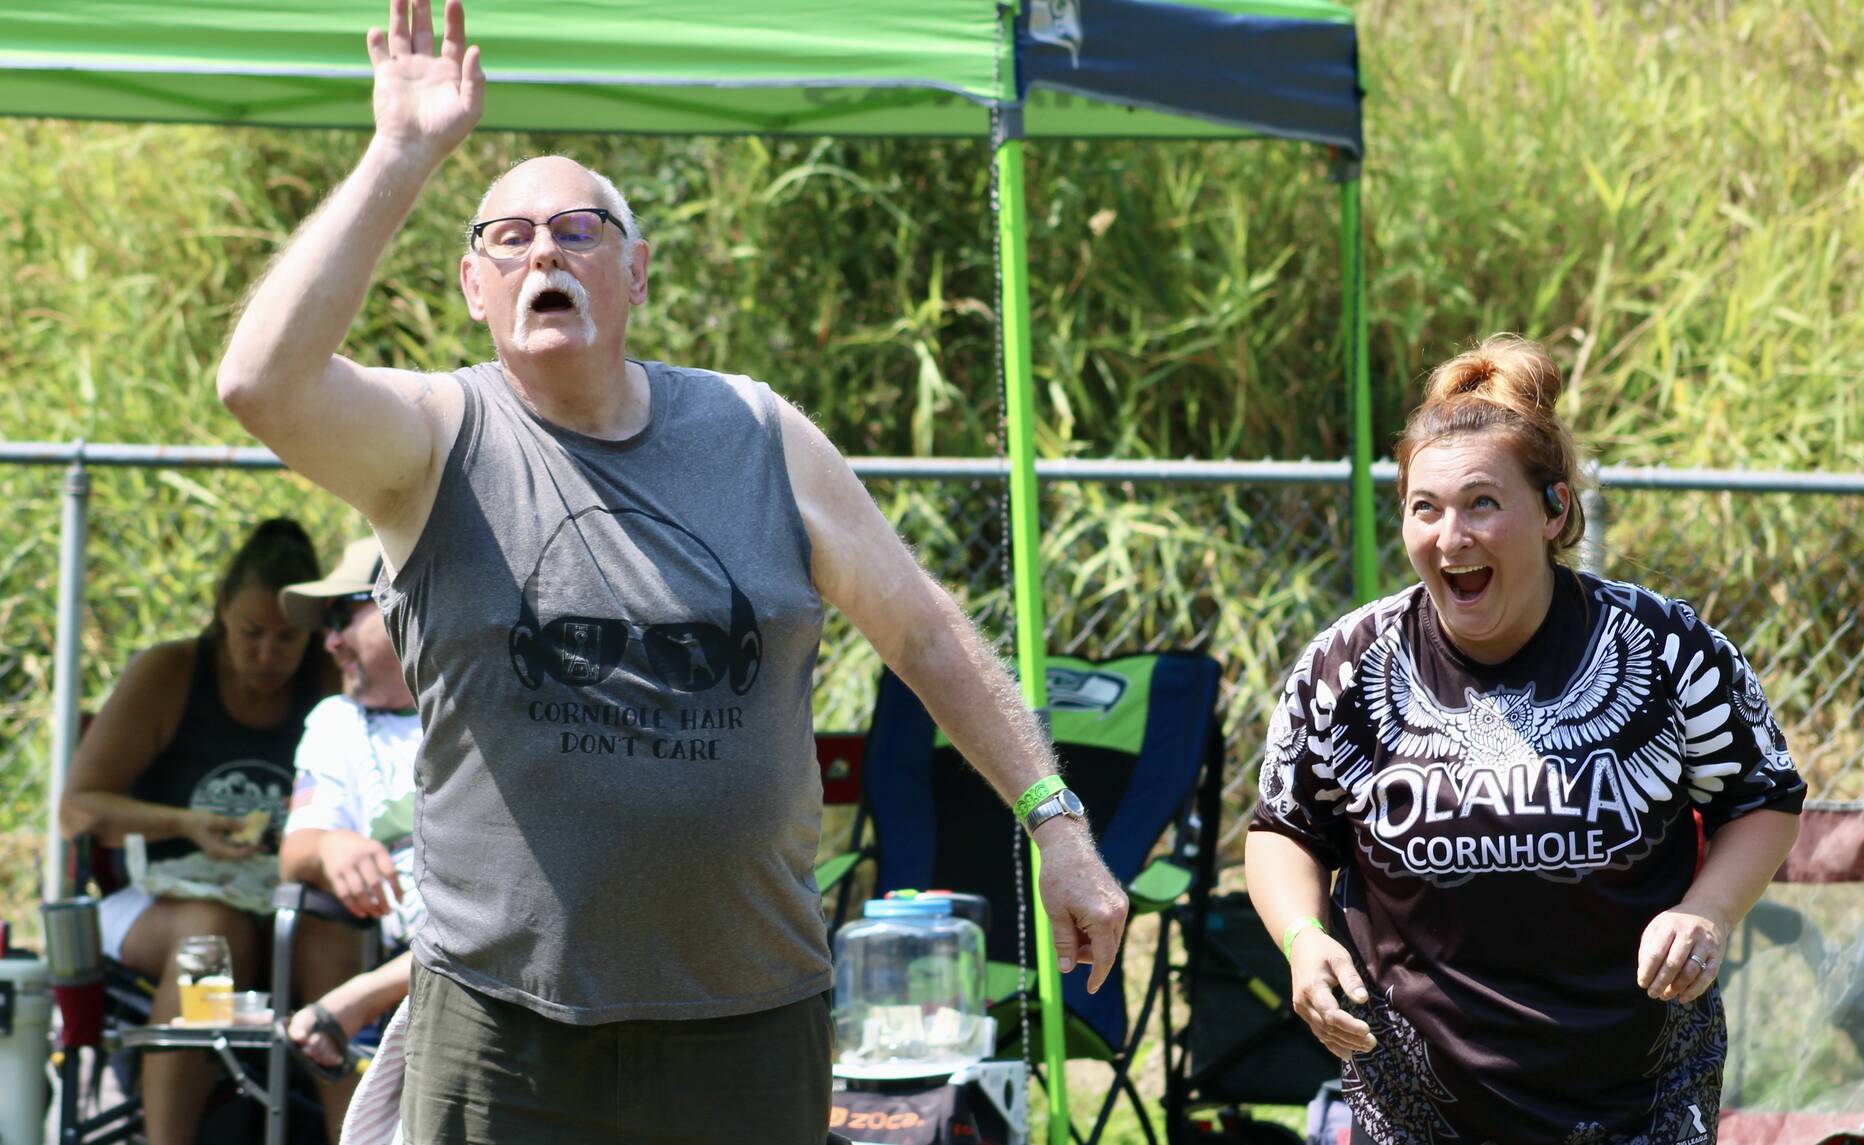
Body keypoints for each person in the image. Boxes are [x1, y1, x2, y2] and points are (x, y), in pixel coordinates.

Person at [213, 2, 1128, 1139]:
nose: (544, 248)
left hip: (745, 1025)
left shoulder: (758, 434)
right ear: (471, 286)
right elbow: (261, 382)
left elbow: (925, 632)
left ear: (636, 272)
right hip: (505, 1028)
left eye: (580, 229)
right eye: (510, 236)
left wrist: (1055, 820)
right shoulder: (433, 439)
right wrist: (403, 152)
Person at [1246, 335, 1805, 1144]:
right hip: (1416, 1105)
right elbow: (1283, 829)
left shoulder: (1663, 648)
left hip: (1632, 1099)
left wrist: (1708, 912)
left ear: (1555, 511)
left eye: (1482, 503)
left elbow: (1763, 797)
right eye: (1423, 506)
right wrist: (1303, 940)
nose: (1450, 536)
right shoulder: (1348, 664)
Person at [58, 517, 331, 1145]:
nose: (267, 657)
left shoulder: (331, 685)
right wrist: (186, 825)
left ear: (314, 639)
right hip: (158, 908)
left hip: (287, 910)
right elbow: (79, 810)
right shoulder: (170, 673)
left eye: (287, 640)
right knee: (213, 936)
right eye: (251, 634)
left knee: (329, 933)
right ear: (219, 612)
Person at [273, 536, 424, 1142]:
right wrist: (330, 845)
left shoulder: (487, 702)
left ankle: (358, 1000)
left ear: (403, 604)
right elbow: (295, 849)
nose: (329, 640)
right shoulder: (339, 721)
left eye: (343, 616)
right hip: (423, 943)